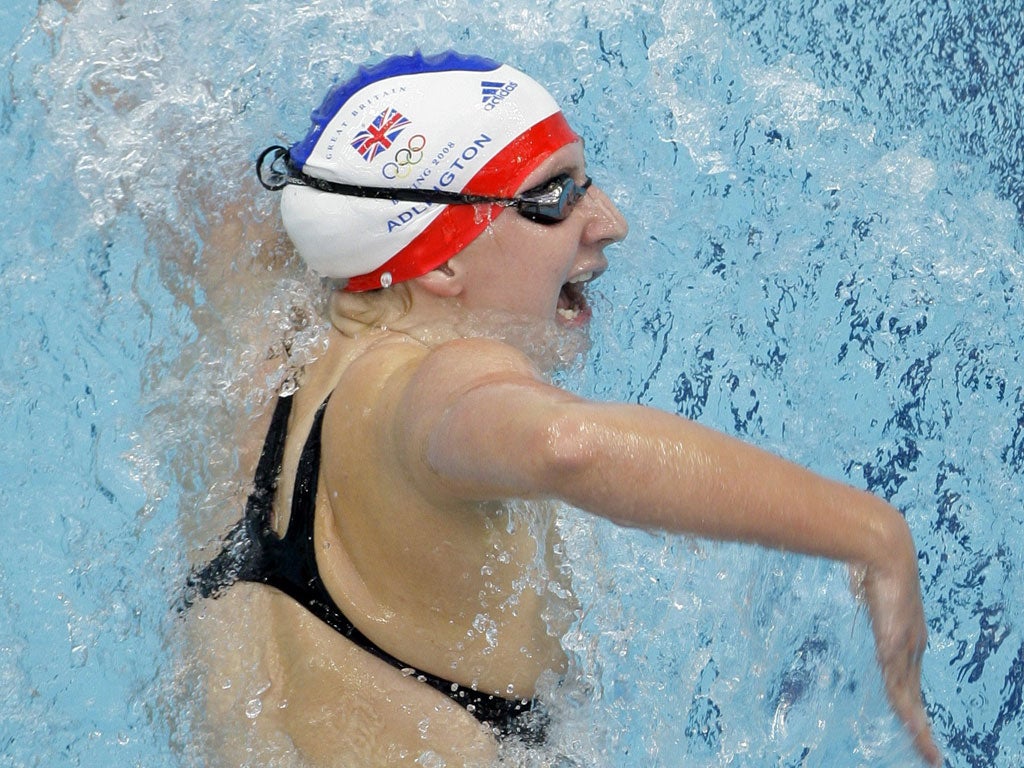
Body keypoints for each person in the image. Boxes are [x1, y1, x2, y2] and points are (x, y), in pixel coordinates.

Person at [185, 50, 941, 767]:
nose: (609, 221)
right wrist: (872, 534)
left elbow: (166, 143)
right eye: (553, 195)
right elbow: (568, 445)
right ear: (438, 256)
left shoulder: (271, 326)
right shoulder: (438, 387)